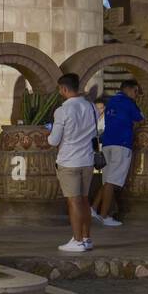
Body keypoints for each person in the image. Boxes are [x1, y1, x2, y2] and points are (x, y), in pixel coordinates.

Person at [48, 73, 98, 252]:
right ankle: (86, 238)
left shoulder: (62, 110)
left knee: (73, 202)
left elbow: (54, 140)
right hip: (87, 159)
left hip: (69, 161)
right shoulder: (91, 107)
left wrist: (49, 135)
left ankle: (77, 241)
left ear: (64, 89)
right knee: (85, 200)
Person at [91, 79, 143, 227]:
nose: (136, 95)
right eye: (136, 91)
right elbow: (141, 120)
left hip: (107, 143)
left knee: (107, 180)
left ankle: (93, 208)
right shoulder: (129, 103)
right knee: (112, 181)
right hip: (122, 144)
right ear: (130, 89)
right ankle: (104, 215)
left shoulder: (111, 101)